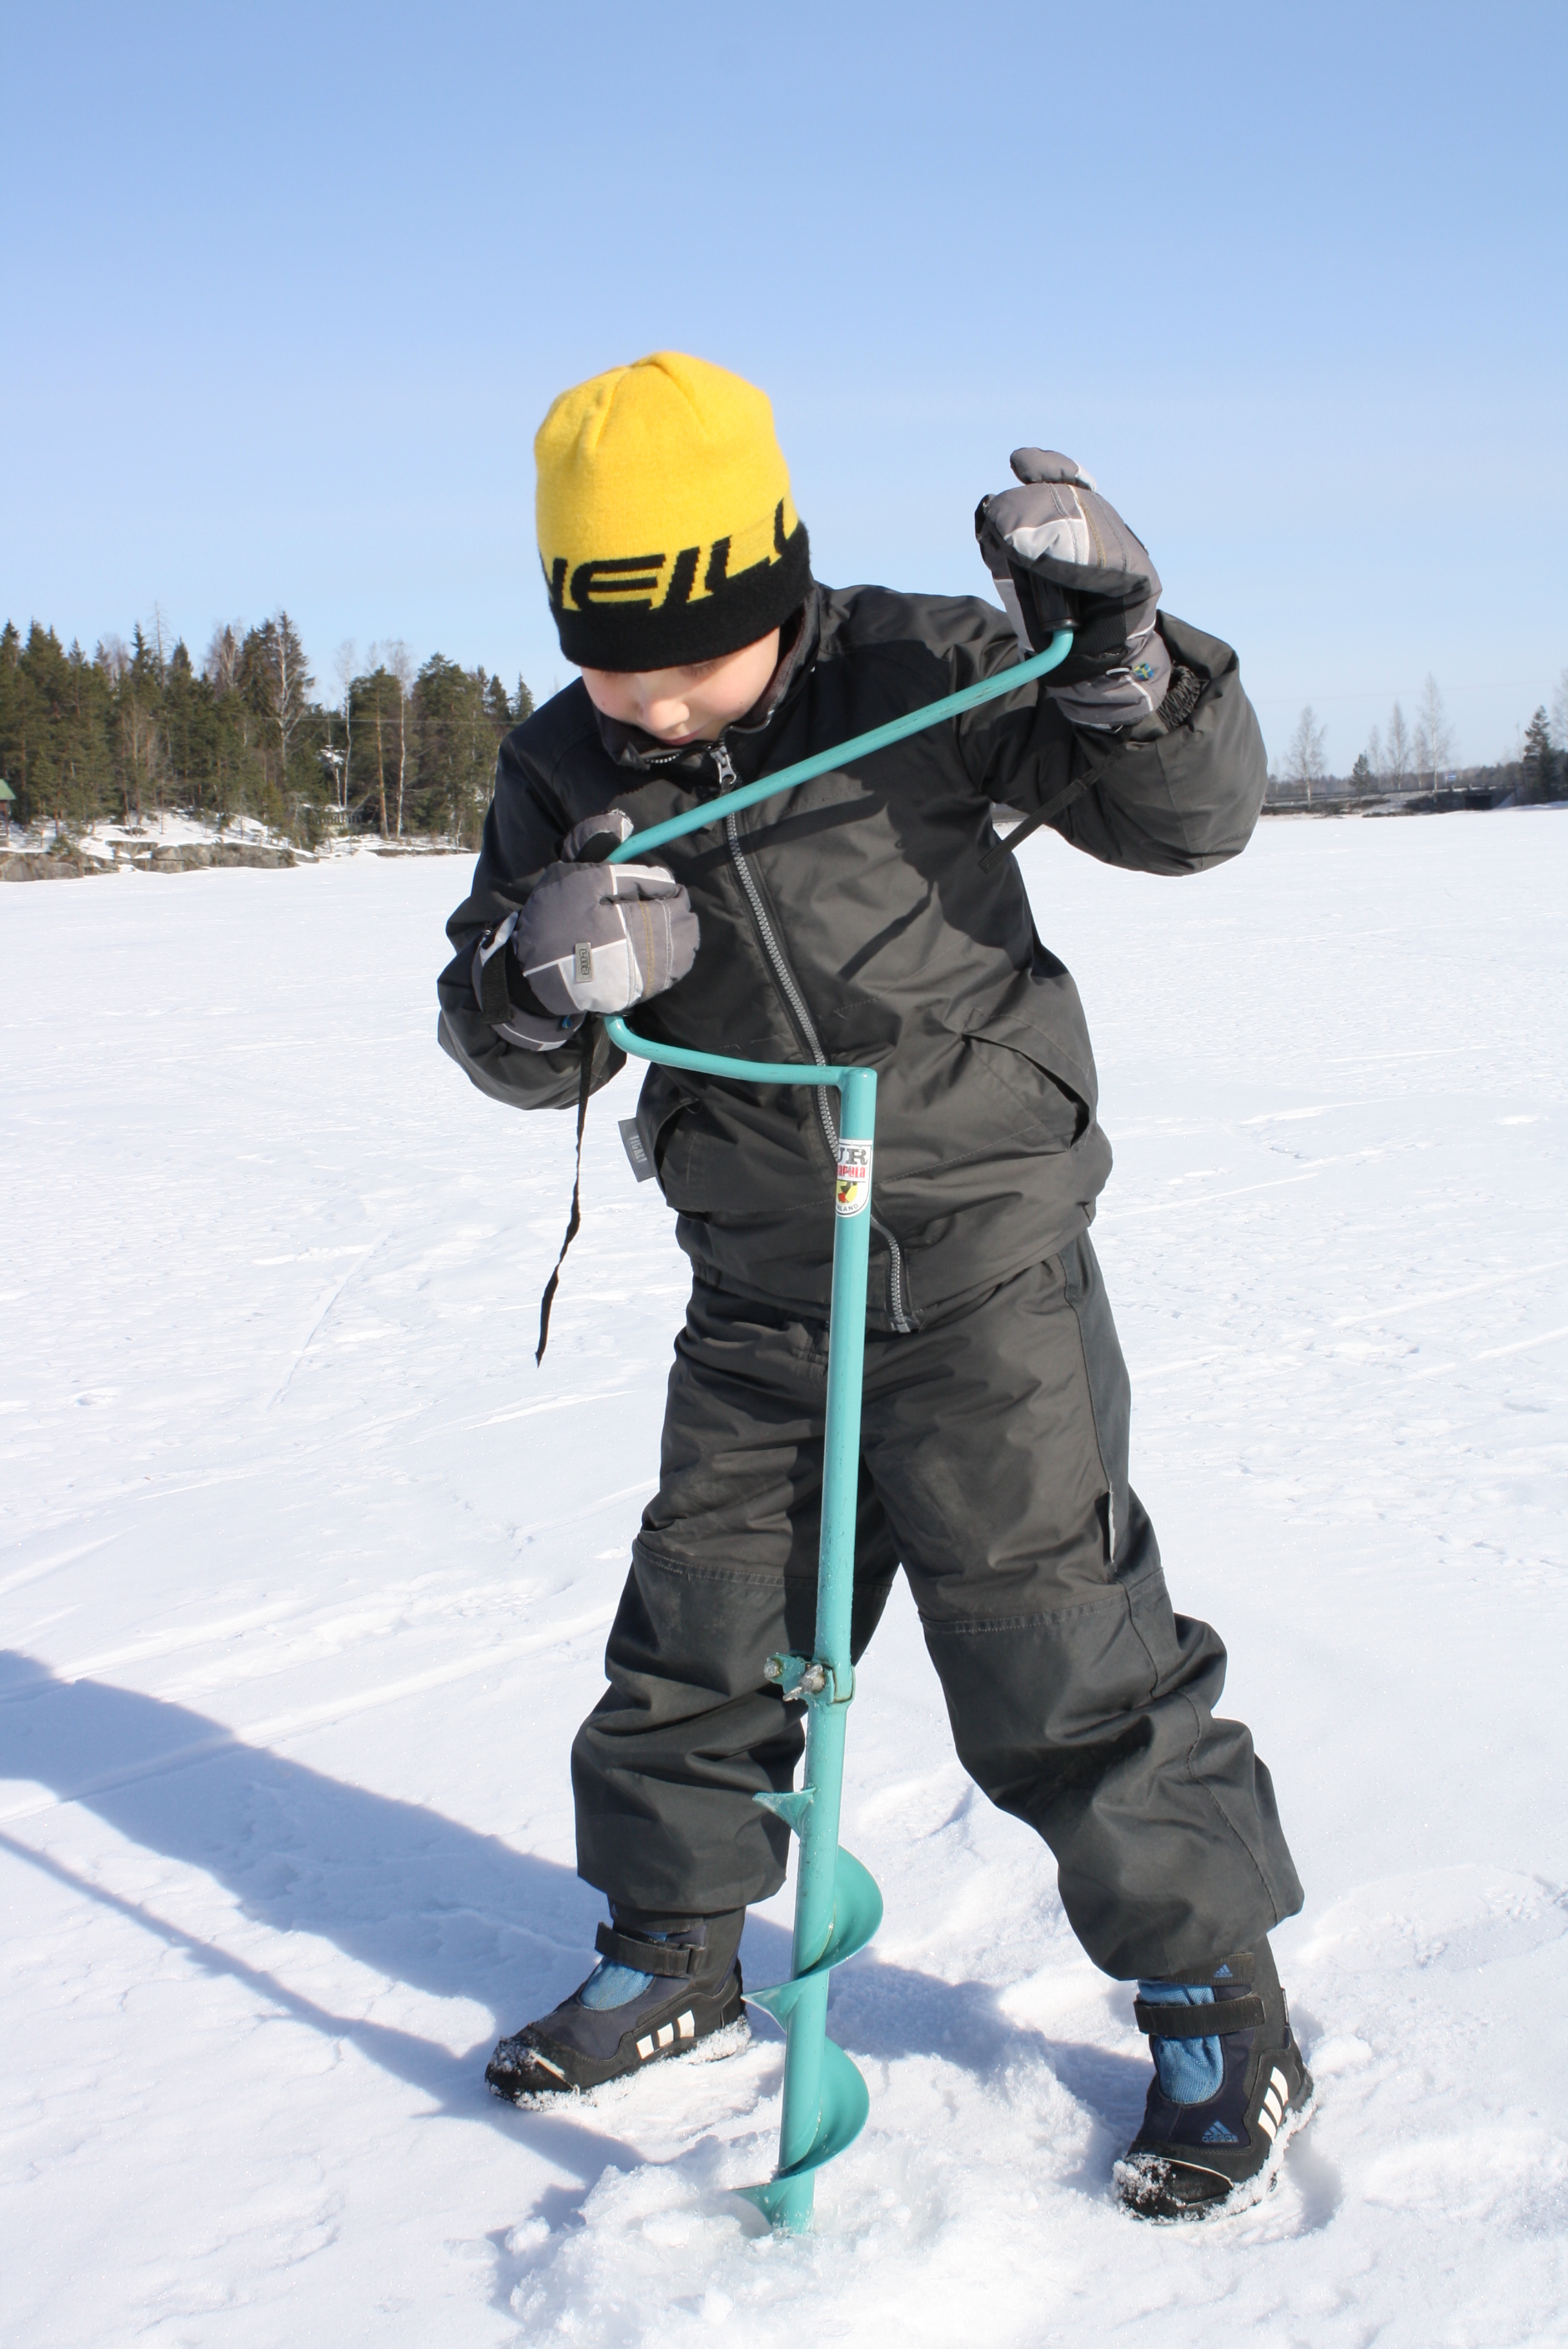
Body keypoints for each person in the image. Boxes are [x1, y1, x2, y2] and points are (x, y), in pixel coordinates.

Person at [436, 351, 1311, 2219]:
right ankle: (673, 1946)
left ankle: (1210, 1991)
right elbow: (509, 1044)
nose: (657, 702)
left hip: (980, 1261)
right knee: (703, 1624)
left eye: (699, 657)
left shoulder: (915, 669)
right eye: (616, 662)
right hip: (759, 1271)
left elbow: (1189, 818)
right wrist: (538, 975)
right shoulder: (561, 767)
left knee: (1055, 1650)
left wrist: (1127, 674)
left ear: (781, 576)